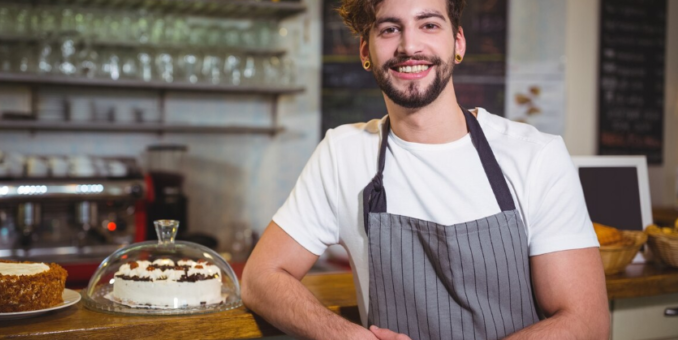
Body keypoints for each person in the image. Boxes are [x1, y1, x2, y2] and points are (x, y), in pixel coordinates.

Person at [241, 0, 610, 338]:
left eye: (429, 25)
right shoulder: (343, 154)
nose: (409, 46)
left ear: (458, 43)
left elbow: (586, 321)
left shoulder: (536, 157)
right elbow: (259, 278)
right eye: (389, 29)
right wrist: (348, 336)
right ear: (365, 51)